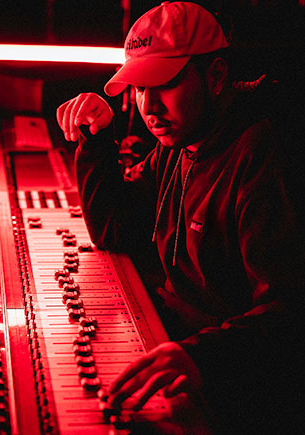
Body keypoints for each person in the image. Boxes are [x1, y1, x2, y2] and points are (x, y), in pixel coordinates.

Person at [56, 1, 305, 433]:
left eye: (164, 85)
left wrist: (201, 356)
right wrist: (96, 142)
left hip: (241, 391)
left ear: (216, 78)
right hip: (187, 348)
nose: (149, 107)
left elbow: (290, 314)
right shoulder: (182, 141)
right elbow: (117, 229)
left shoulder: (263, 155)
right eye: (138, 88)